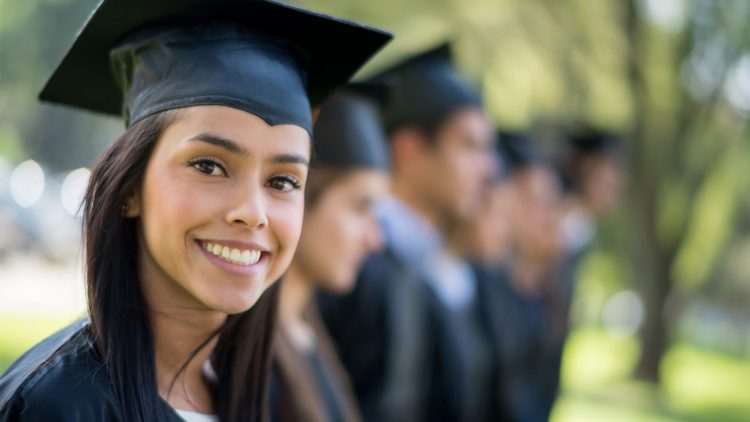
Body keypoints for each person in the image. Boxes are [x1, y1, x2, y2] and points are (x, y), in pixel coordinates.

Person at [0, 0, 391, 420]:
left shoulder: (271, 396)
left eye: (283, 181)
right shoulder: (57, 407)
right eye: (208, 166)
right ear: (130, 188)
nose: (253, 212)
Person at [318, 44, 496, 422]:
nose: (488, 169)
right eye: (469, 146)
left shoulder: (436, 266)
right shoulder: (352, 267)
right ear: (410, 150)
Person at [269, 84, 390, 422]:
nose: (375, 240)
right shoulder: (248, 365)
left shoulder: (309, 333)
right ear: (301, 195)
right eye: (360, 207)